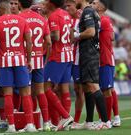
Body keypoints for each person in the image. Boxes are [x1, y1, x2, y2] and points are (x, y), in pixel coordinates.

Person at [0, 0, 36, 133]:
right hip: (20, 60)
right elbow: (29, 42)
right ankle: (30, 124)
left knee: (6, 95)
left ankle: (11, 126)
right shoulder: (22, 21)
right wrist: (29, 60)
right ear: (10, 7)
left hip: (5, 61)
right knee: (26, 93)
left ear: (0, 10)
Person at [74, 0, 110, 130]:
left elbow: (91, 32)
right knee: (87, 86)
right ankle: (89, 121)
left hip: (89, 53)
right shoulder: (91, 12)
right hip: (89, 52)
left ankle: (106, 121)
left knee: (93, 86)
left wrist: (76, 35)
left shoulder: (88, 11)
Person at [18, 0, 51, 131]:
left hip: (24, 60)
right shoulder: (42, 19)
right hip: (39, 59)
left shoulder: (20, 18)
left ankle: (29, 123)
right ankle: (46, 123)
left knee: (25, 93)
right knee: (40, 92)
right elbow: (48, 43)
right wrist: (46, 59)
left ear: (20, 4)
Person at [43, 0, 74, 131]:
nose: (45, 4)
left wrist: (42, 35)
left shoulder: (54, 16)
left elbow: (55, 36)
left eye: (46, 2)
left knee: (45, 88)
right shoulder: (67, 14)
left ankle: (66, 116)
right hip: (68, 54)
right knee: (64, 89)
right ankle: (65, 123)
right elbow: (71, 35)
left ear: (51, 3)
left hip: (57, 56)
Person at [91, 0, 121, 127]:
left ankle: (106, 120)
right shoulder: (106, 20)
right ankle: (115, 117)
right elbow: (113, 36)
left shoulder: (102, 20)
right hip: (104, 58)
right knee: (108, 89)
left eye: (94, 3)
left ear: (101, 7)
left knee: (106, 90)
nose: (91, 4)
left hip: (105, 59)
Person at [65, 0, 84, 129]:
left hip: (77, 60)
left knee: (78, 90)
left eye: (69, 6)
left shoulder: (80, 21)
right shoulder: (63, 18)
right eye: (65, 6)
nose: (67, 8)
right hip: (64, 59)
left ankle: (76, 121)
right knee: (59, 89)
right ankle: (62, 118)